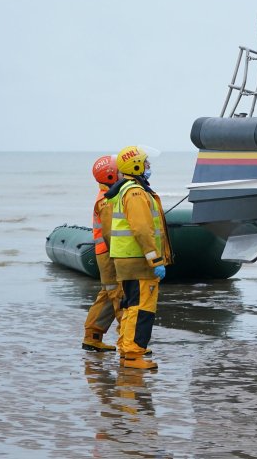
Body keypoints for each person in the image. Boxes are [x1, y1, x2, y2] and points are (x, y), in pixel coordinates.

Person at [107, 146, 171, 370]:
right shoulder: (135, 193)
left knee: (131, 306)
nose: (148, 167)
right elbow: (142, 230)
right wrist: (155, 260)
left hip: (128, 260)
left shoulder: (125, 190)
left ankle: (127, 351)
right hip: (138, 261)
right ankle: (134, 355)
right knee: (142, 308)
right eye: (146, 163)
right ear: (135, 166)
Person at [81, 155, 121, 352]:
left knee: (107, 294)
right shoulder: (107, 201)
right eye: (120, 171)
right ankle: (129, 341)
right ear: (112, 176)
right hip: (109, 254)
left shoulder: (108, 196)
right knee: (119, 294)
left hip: (105, 252)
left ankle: (92, 336)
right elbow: (111, 233)